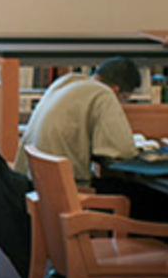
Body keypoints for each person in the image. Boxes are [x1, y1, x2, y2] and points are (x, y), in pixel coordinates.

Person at [13, 56, 139, 186]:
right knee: (138, 191)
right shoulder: (104, 93)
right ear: (116, 89)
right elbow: (123, 151)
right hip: (65, 186)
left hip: (34, 181)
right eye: (124, 98)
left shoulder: (65, 82)